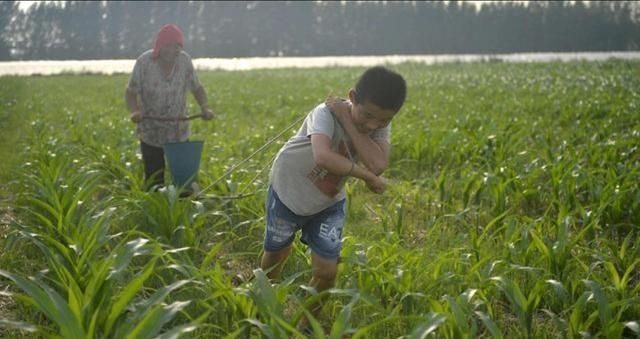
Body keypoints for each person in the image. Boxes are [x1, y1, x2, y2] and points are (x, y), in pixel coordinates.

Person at [260, 66, 407, 331]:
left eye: (383, 120)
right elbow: (324, 157)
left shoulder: (375, 123)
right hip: (289, 190)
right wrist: (367, 177)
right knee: (275, 257)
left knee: (327, 272)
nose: (373, 125)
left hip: (327, 202)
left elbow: (377, 164)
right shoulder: (325, 113)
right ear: (353, 96)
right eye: (368, 115)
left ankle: (306, 326)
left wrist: (351, 121)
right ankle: (264, 309)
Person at [125, 23, 214, 191]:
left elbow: (197, 88)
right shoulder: (144, 62)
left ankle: (183, 208)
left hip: (178, 132)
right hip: (151, 133)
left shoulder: (185, 61)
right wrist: (135, 111)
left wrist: (205, 107)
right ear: (159, 47)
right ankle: (157, 211)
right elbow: (130, 92)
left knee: (184, 182)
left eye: (175, 47)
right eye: (167, 46)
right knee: (154, 181)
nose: (171, 51)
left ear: (180, 48)